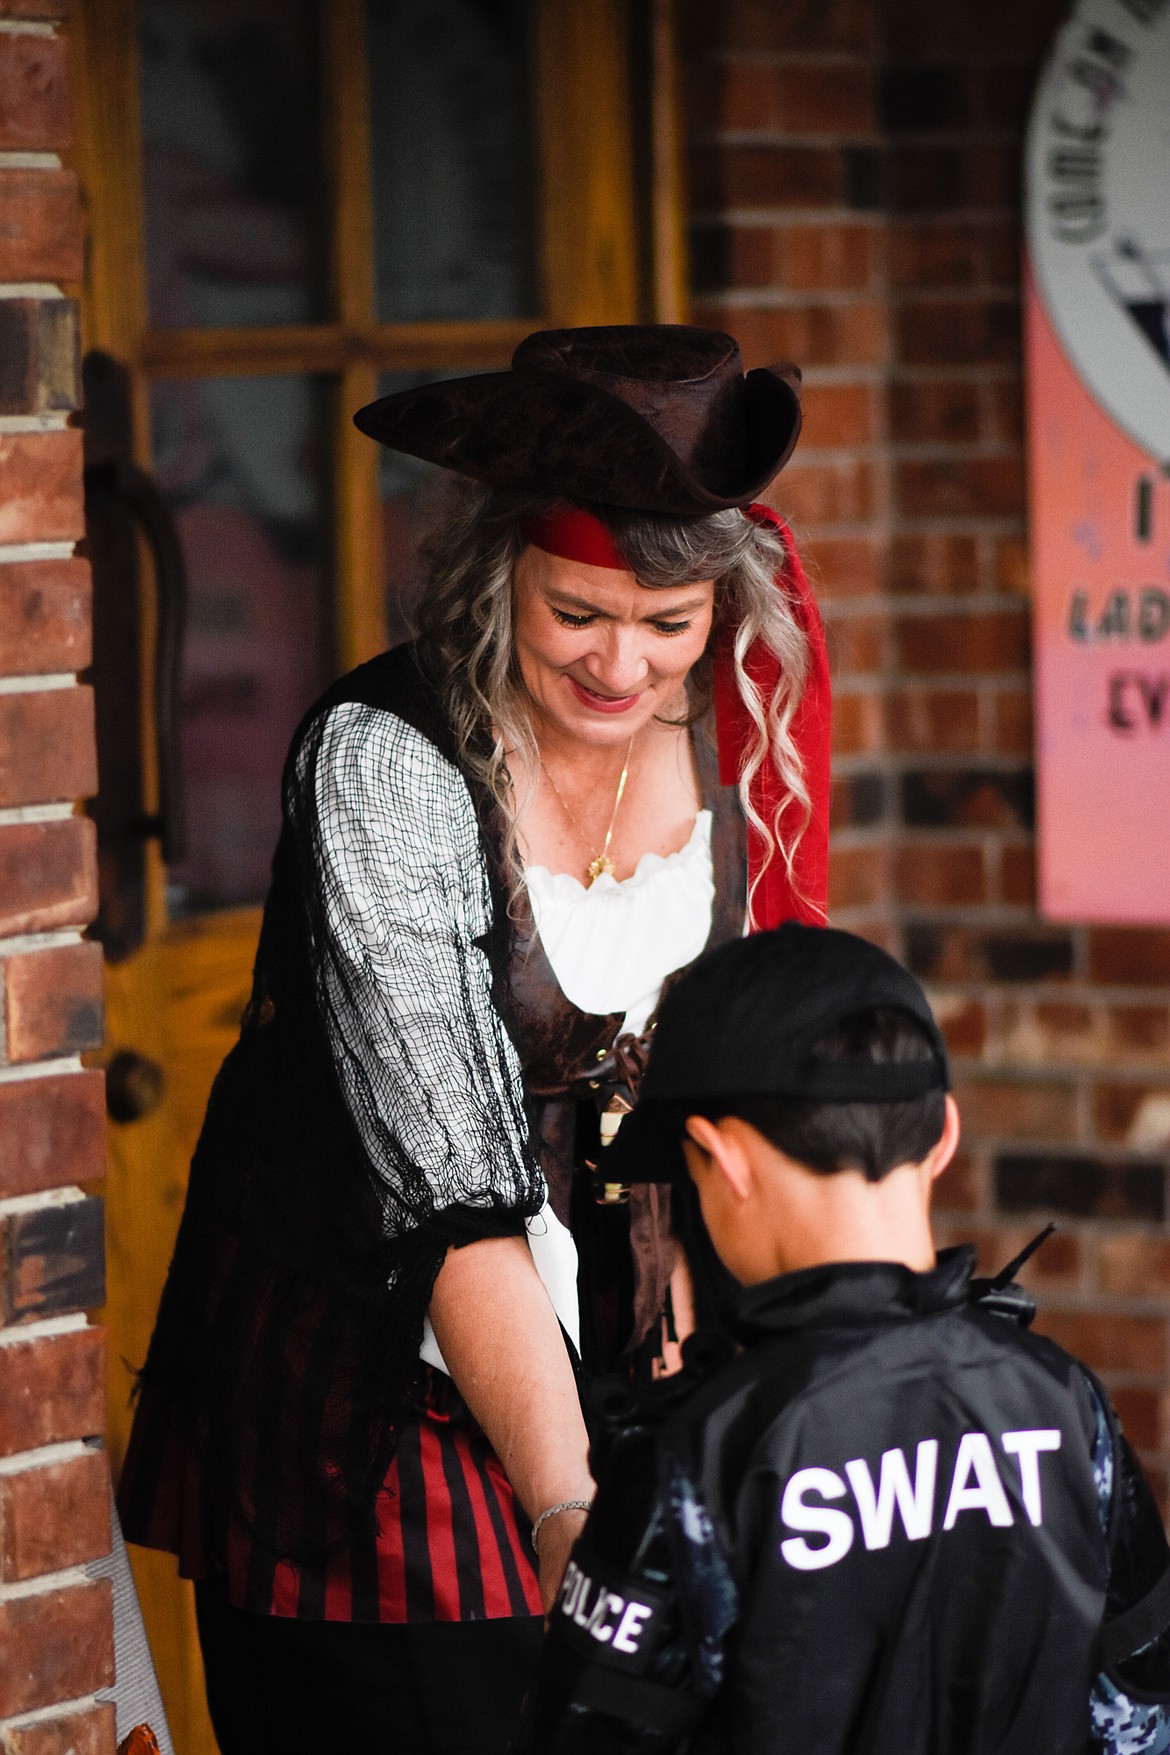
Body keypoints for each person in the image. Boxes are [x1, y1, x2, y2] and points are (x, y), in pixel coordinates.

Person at [115, 325, 833, 1753]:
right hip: (373, 1391)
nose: (623, 663)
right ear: (500, 565)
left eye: (669, 623)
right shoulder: (388, 757)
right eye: (577, 613)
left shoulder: (741, 732)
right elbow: (451, 1193)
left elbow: (710, 1090)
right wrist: (568, 1505)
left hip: (627, 1372)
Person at [516, 922, 1170, 1755]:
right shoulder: (1069, 1404)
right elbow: (1142, 1715)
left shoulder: (698, 1453)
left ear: (725, 1160)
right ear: (943, 1137)